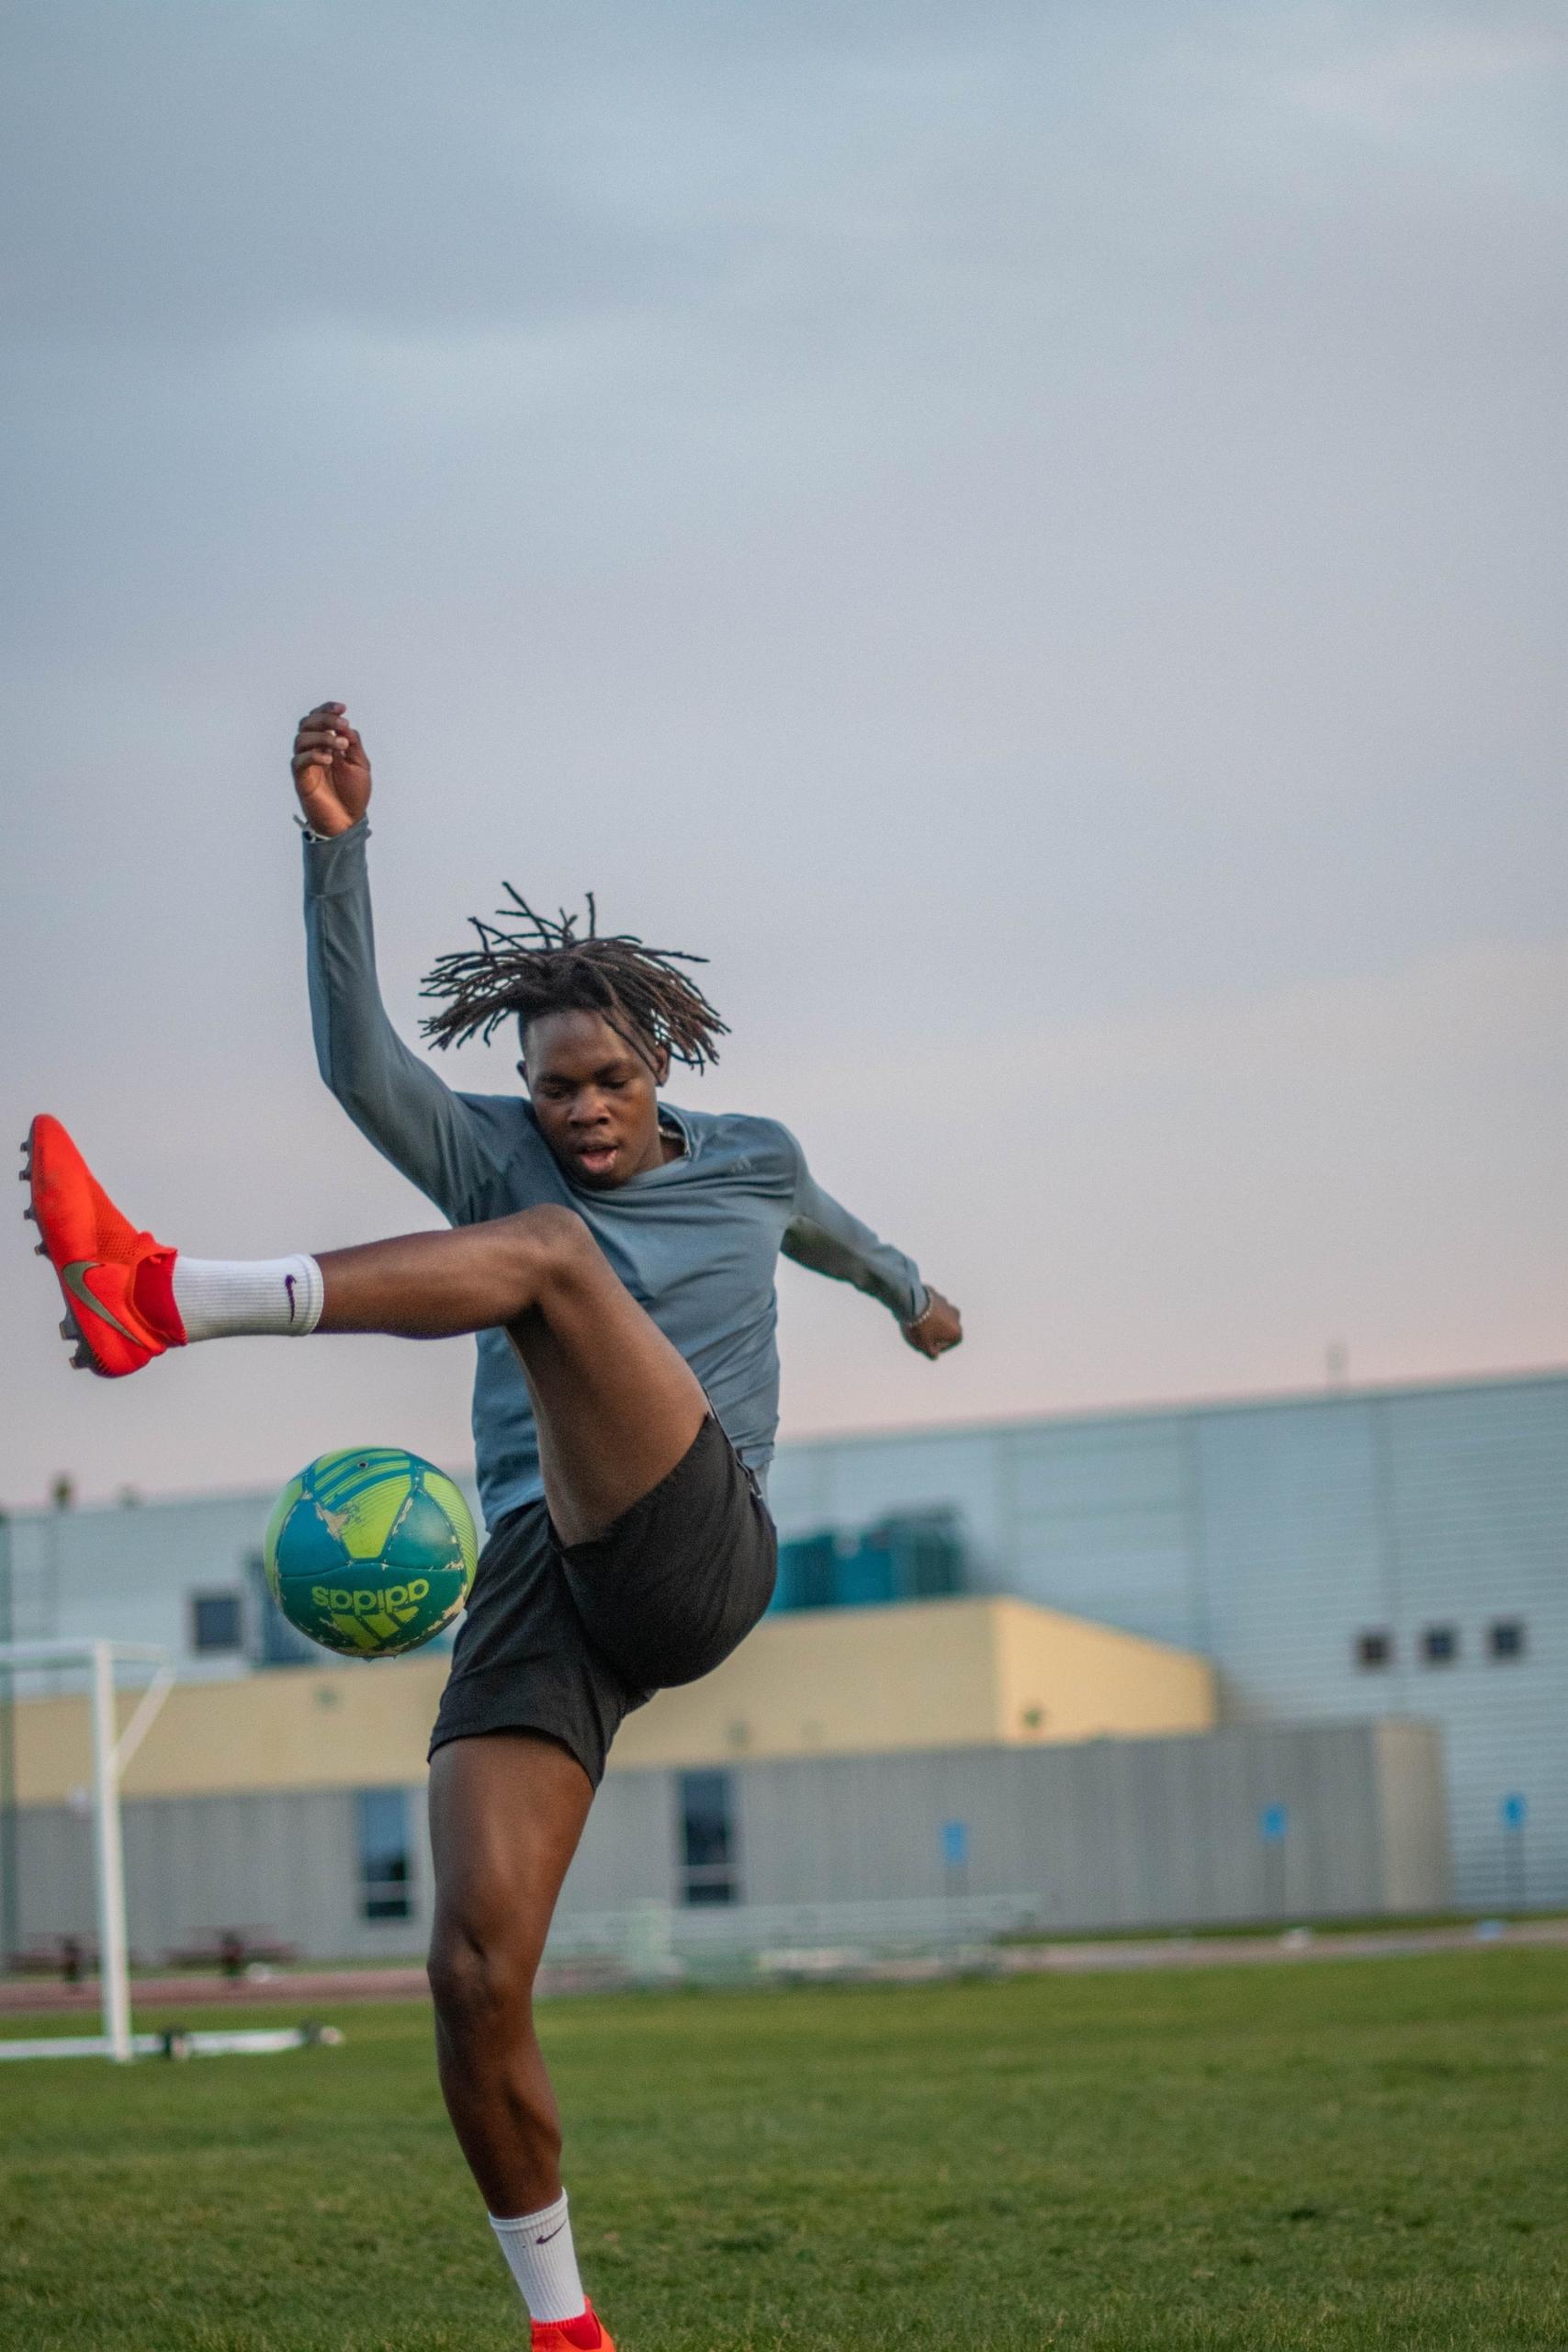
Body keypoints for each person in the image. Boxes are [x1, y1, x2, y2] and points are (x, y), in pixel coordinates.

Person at [24, 701, 962, 2352]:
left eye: (603, 1082)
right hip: (541, 1576)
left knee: (548, 1261)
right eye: (551, 1087)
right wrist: (336, 847)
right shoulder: (500, 1156)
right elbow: (355, 1062)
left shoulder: (745, 1161)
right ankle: (565, 2325)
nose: (580, 1113)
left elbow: (836, 1237)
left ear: (659, 1069)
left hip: (698, 1543)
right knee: (468, 1971)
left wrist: (914, 1296)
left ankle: (165, 1294)